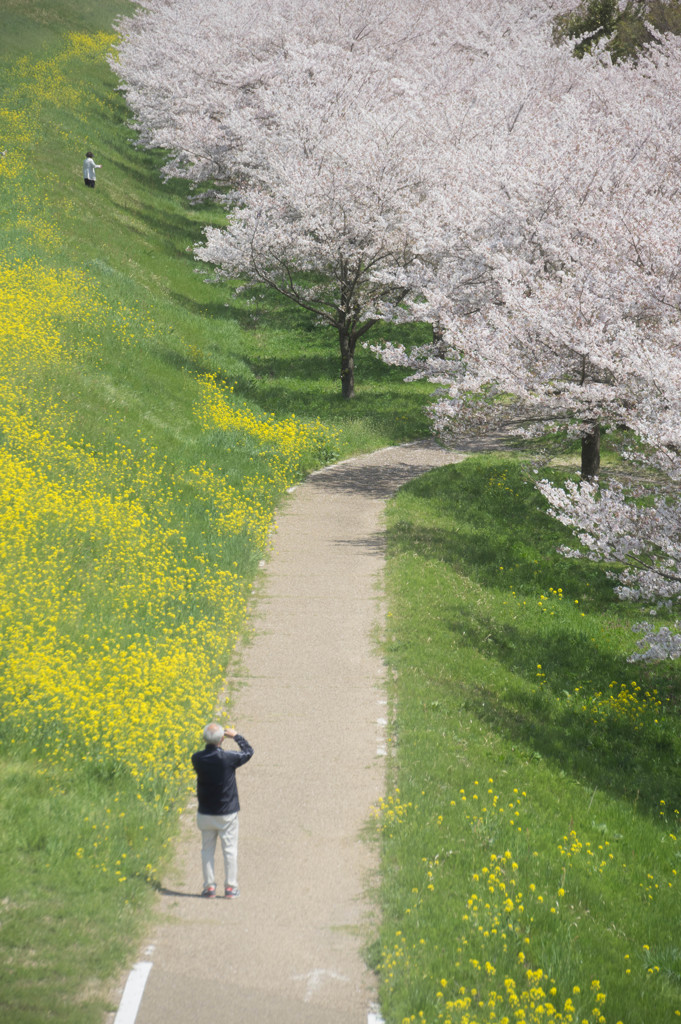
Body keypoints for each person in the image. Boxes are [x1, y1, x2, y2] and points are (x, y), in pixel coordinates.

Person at [191, 722, 254, 899]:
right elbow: (248, 752)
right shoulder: (228, 758)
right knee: (230, 850)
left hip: (205, 813)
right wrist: (236, 736)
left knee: (207, 850)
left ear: (204, 739)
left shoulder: (196, 758)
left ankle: (209, 887)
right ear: (221, 739)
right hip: (227, 813)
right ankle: (230, 888)